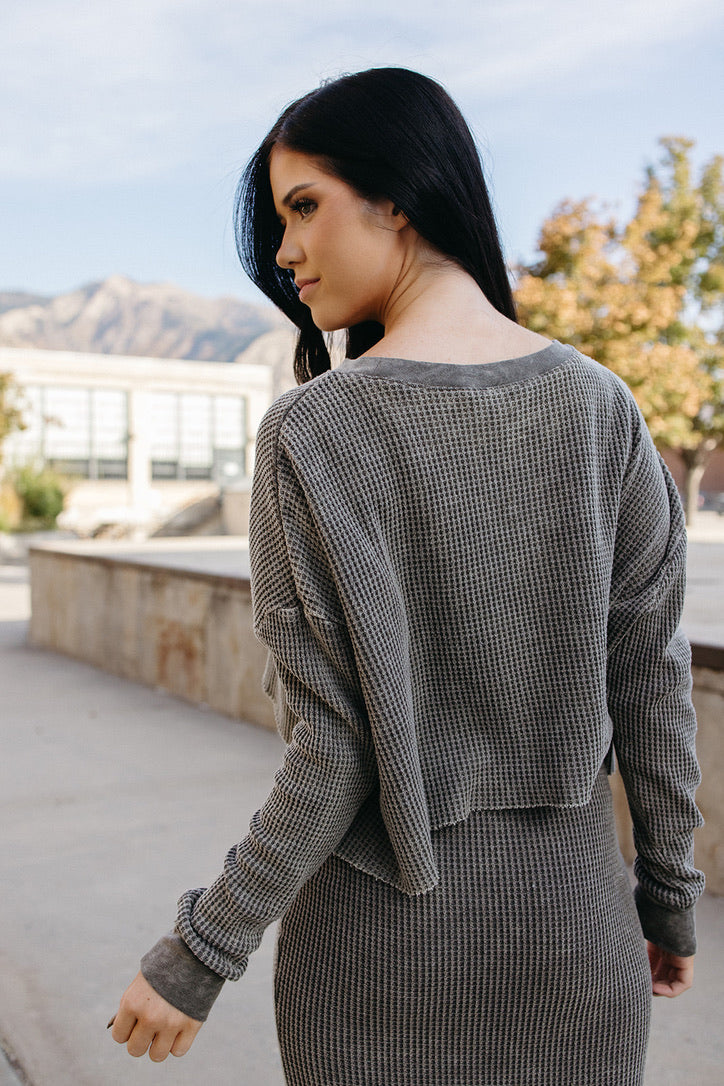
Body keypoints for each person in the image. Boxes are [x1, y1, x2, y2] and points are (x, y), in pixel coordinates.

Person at [110, 68, 704, 1084]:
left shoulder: (314, 432)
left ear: (397, 196)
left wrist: (202, 950)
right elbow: (652, 686)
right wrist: (669, 902)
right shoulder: (600, 408)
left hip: (375, 967)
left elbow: (334, 750)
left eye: (305, 206)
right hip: (576, 946)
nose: (286, 251)